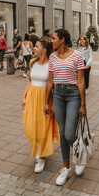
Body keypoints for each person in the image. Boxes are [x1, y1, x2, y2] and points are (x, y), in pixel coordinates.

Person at [44, 29, 86, 186]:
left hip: (73, 95)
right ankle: (67, 168)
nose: (51, 40)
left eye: (53, 38)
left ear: (62, 40)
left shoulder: (77, 56)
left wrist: (83, 104)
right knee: (62, 133)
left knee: (69, 133)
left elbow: (81, 81)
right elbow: (50, 81)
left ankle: (80, 156)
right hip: (58, 96)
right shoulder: (52, 57)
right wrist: (47, 102)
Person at [22, 37, 59, 173]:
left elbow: (53, 86)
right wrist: (24, 97)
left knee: (43, 128)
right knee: (30, 127)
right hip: (32, 98)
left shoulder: (51, 65)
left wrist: (50, 104)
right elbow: (29, 81)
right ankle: (38, 149)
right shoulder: (32, 62)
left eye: (36, 46)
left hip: (44, 99)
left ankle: (41, 157)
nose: (34, 49)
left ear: (44, 50)